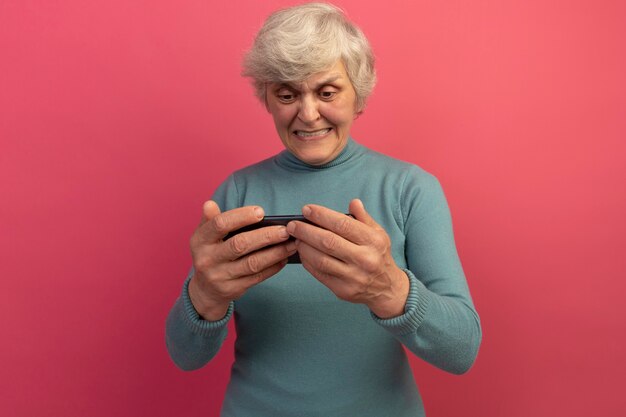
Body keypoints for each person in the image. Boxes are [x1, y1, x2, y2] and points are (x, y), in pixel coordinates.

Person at [165, 3, 481, 416]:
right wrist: (204, 294)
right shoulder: (236, 193)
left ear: (358, 93)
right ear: (268, 97)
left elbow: (462, 350)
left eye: (327, 92)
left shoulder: (410, 189)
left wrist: (388, 289)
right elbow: (186, 356)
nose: (308, 113)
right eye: (287, 94)